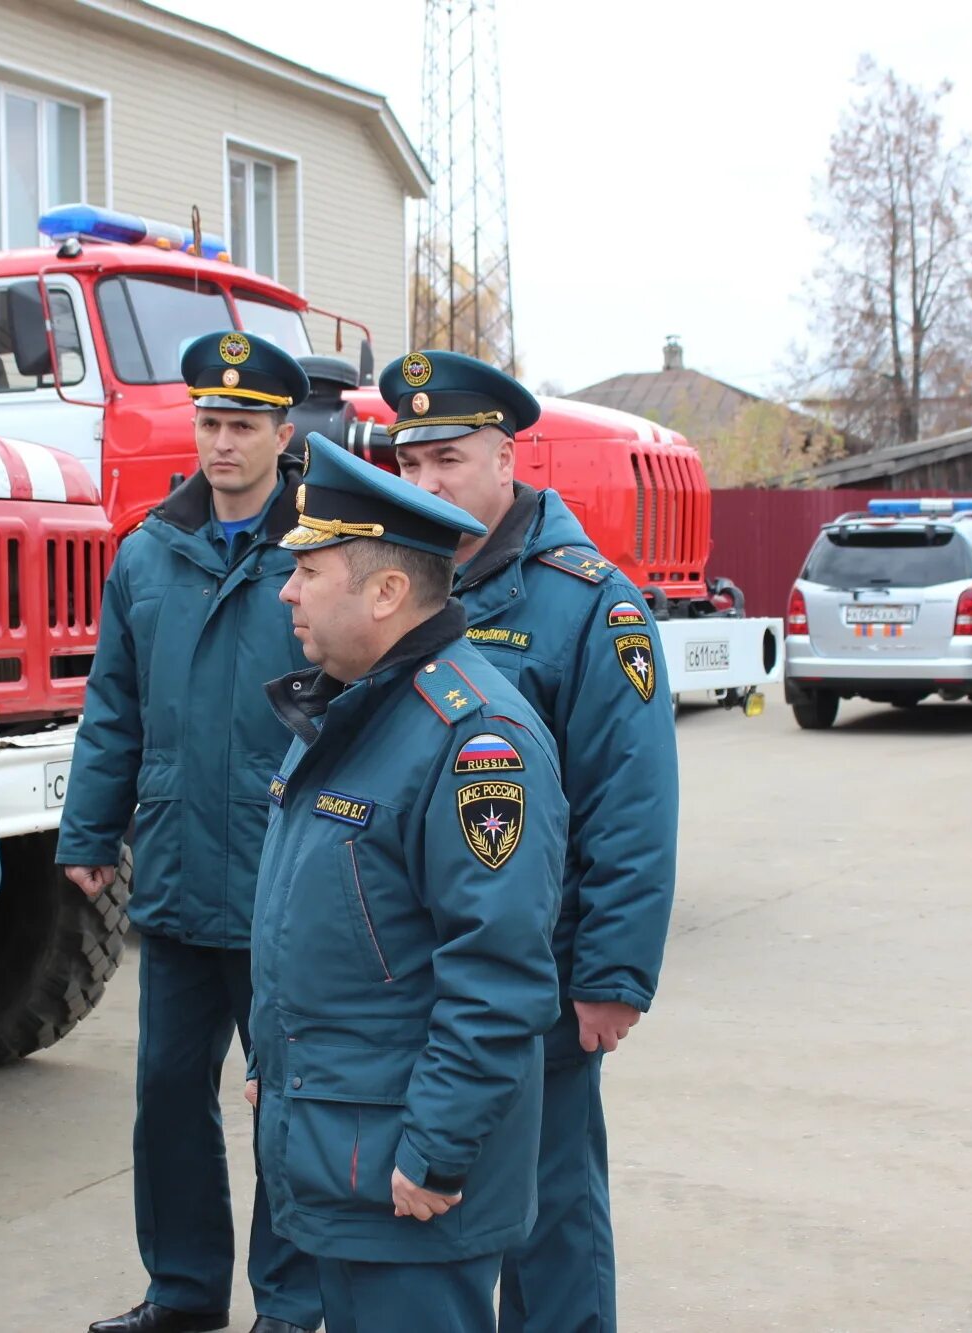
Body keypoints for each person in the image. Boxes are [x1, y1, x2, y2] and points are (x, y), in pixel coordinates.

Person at [383, 349, 680, 1333]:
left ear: (506, 458)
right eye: (408, 460)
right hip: (422, 965)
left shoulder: (587, 601)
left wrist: (611, 974)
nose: (426, 483)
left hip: (540, 976)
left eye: (449, 459)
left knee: (550, 1215)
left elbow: (630, 803)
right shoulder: (392, 586)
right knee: (435, 1200)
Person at [248, 436, 569, 1332]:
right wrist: (269, 1058)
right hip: (340, 1146)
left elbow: (497, 975)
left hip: (407, 1181)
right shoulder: (352, 707)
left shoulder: (473, 741)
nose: (287, 590)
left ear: (386, 592)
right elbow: (326, 927)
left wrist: (436, 1150)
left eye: (309, 568)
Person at [58, 332, 323, 1333]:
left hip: (284, 880)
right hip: (171, 875)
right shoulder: (146, 553)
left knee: (286, 1105)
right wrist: (88, 830)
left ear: (280, 433)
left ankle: (290, 1307)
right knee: (167, 1098)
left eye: (242, 424)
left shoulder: (319, 550)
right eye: (209, 422)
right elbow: (113, 705)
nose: (221, 442)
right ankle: (180, 1292)